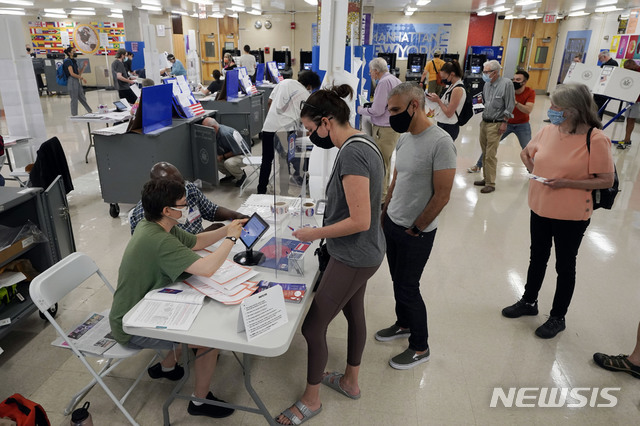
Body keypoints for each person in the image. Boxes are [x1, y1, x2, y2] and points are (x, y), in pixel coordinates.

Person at [275, 84, 385, 425]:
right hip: (365, 252)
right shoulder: (363, 142)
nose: (311, 137)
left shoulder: (352, 152)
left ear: (326, 122)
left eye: (311, 130)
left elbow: (360, 219)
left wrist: (314, 234)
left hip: (354, 255)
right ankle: (350, 383)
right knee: (354, 313)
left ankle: (311, 400)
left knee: (313, 327)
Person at [110, 178, 247, 419]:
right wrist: (231, 239)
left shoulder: (157, 225)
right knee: (209, 341)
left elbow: (196, 242)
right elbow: (206, 268)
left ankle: (167, 367)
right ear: (167, 210)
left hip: (145, 304)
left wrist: (228, 227)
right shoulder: (159, 240)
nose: (187, 208)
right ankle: (199, 402)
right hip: (131, 323)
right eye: (183, 205)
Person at [501, 83, 615, 339]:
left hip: (571, 215)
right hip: (540, 207)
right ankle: (529, 301)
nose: (550, 110)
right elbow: (526, 152)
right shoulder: (549, 130)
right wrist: (529, 163)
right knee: (537, 257)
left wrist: (567, 183)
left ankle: (557, 316)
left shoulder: (595, 139)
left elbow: (606, 180)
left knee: (565, 265)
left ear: (573, 111)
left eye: (556, 107)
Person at [376, 83, 456, 369]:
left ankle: (420, 346)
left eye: (396, 110)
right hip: (393, 222)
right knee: (398, 281)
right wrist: (386, 210)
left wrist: (417, 227)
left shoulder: (441, 143)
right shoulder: (405, 138)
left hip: (416, 232)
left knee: (409, 286)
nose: (391, 116)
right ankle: (403, 323)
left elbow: (442, 194)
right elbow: (397, 178)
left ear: (414, 106)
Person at [129, 162, 248, 234]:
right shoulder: (147, 213)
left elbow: (211, 210)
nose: (184, 191)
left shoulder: (188, 188)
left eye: (182, 184)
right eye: (177, 189)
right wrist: (206, 234)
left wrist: (237, 216)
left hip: (200, 244)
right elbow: (169, 248)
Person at [257, 70, 321, 194]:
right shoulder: (306, 95)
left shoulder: (283, 82)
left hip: (269, 127)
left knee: (266, 160)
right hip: (285, 131)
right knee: (284, 163)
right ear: (309, 86)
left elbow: (270, 102)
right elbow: (305, 118)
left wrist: (275, 117)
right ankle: (283, 193)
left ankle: (261, 191)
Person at [468, 70, 535, 173]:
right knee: (490, 144)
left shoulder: (530, 92)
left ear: (524, 82)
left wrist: (514, 102)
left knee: (528, 147)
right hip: (504, 122)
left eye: (518, 80)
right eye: (514, 79)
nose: (515, 81)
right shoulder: (507, 89)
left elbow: (528, 110)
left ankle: (533, 170)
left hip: (522, 124)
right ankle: (478, 165)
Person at [357, 57, 401, 199]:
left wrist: (360, 110)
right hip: (392, 127)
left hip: (384, 129)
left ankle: (381, 197)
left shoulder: (383, 83)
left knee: (380, 163)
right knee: (386, 162)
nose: (370, 74)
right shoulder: (394, 80)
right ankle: (385, 192)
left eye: (370, 72)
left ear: (376, 71)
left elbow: (377, 111)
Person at [473, 59, 515, 193]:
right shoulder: (487, 85)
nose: (484, 74)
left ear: (495, 72)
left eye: (486, 72)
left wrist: (505, 122)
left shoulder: (506, 84)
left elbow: (510, 105)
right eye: (483, 72)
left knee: (490, 154)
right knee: (485, 152)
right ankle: (485, 179)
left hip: (496, 123)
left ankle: (490, 183)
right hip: (485, 122)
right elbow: (485, 102)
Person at [201, 117, 249, 186]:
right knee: (214, 160)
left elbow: (238, 151)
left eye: (206, 129)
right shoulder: (216, 132)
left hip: (243, 155)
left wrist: (222, 156)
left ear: (214, 127)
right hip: (233, 153)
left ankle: (241, 176)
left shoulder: (225, 134)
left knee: (228, 163)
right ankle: (230, 175)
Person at [426, 60, 466, 141]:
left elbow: (449, 113)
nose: (443, 80)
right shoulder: (452, 86)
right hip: (443, 124)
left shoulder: (457, 89)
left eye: (444, 77)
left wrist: (438, 101)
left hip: (448, 127)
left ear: (452, 74)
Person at [63, 46, 92, 116]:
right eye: (73, 52)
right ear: (69, 53)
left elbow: (78, 73)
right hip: (71, 81)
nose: (75, 53)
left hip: (76, 80)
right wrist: (82, 78)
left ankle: (89, 111)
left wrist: (84, 67)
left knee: (81, 96)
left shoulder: (74, 61)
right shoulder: (67, 62)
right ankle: (74, 114)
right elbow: (72, 73)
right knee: (74, 98)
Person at [594, 50, 619, 119]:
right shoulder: (603, 65)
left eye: (600, 58)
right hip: (598, 89)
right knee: (595, 107)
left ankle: (597, 123)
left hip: (605, 91)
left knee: (600, 108)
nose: (599, 60)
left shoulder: (613, 63)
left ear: (604, 56)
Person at [620, 59, 640, 147]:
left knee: (631, 119)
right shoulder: (631, 72)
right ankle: (626, 138)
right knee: (628, 119)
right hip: (630, 98)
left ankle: (627, 140)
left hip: (637, 100)